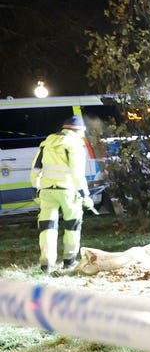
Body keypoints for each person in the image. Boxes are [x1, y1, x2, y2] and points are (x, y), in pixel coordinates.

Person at [30, 115, 95, 273]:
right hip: (68, 192)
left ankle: (46, 263)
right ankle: (69, 261)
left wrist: (35, 190)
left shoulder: (47, 143)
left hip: (46, 191)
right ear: (78, 130)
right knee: (72, 227)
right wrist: (85, 196)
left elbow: (35, 169)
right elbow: (77, 173)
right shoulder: (75, 145)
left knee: (47, 227)